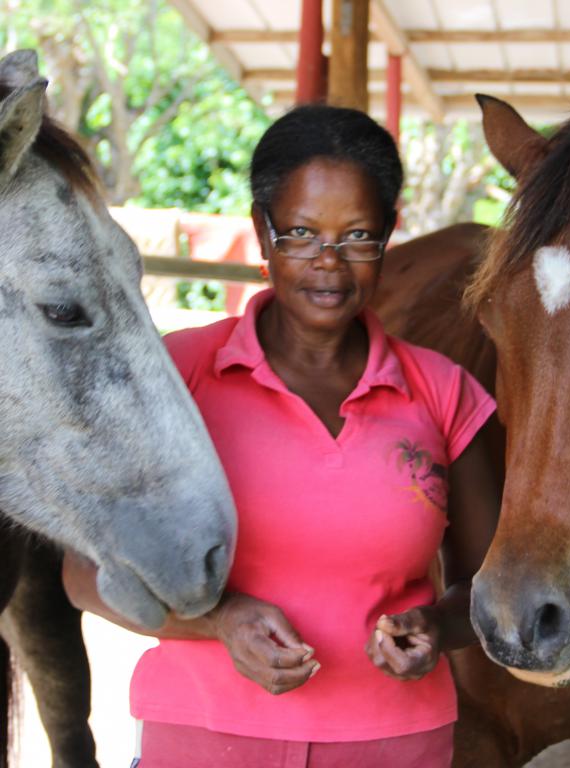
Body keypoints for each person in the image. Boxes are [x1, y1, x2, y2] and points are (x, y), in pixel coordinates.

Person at [63, 104, 498, 768]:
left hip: (394, 744)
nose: (328, 263)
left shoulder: (445, 393)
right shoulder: (177, 376)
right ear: (260, 235)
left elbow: (484, 589)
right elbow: (86, 575)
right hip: (203, 739)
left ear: (389, 233)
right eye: (299, 232)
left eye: (356, 235)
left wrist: (434, 626)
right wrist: (217, 621)